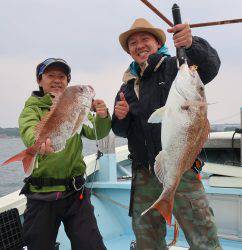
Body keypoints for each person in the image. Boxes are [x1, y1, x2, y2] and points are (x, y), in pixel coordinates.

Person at [112, 18, 222, 250]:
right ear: (129, 50)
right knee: (147, 241)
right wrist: (119, 117)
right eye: (133, 42)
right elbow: (122, 131)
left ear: (158, 42)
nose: (139, 45)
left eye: (145, 39)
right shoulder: (126, 87)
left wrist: (191, 44)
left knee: (204, 238)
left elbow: (210, 66)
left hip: (183, 169)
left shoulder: (176, 67)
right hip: (143, 173)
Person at [19, 58, 110, 250]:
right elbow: (29, 130)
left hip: (75, 194)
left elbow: (96, 132)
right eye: (50, 75)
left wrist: (102, 116)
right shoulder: (32, 108)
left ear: (68, 81)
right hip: (40, 197)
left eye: (62, 76)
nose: (57, 80)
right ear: (39, 80)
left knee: (91, 245)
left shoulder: (77, 105)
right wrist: (34, 145)